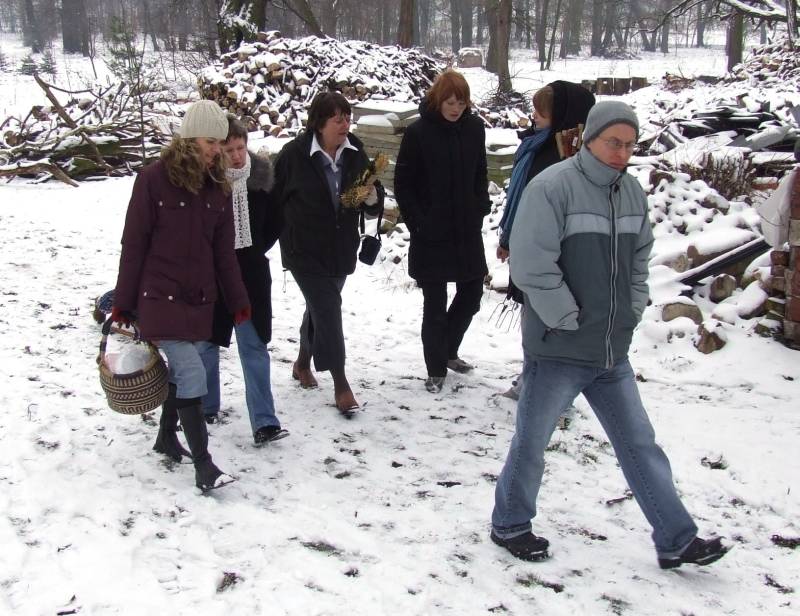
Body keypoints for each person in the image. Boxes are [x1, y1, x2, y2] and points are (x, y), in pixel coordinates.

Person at [490, 101, 728, 569]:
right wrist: (566, 317)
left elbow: (639, 262)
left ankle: (676, 539)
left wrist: (632, 309)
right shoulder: (552, 188)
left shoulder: (631, 193)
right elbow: (531, 264)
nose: (621, 153)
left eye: (629, 145)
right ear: (590, 139)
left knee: (640, 443)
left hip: (609, 350)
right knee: (532, 441)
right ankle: (510, 524)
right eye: (613, 143)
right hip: (559, 347)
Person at [111, 100, 250, 492]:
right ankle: (204, 466)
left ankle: (165, 437)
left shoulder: (218, 187)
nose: (216, 150)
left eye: (220, 143)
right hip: (159, 296)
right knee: (192, 372)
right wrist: (123, 302)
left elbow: (224, 254)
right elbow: (133, 244)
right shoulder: (153, 180)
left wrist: (238, 300)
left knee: (183, 371)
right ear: (189, 139)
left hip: (198, 299)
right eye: (210, 141)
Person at [272, 91, 384, 415]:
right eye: (338, 119)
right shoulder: (293, 155)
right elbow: (272, 200)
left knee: (319, 308)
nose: (345, 124)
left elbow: (372, 193)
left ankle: (301, 363)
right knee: (328, 308)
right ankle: (341, 383)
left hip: (340, 249)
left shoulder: (355, 151)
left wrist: (371, 197)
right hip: (303, 250)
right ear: (319, 124)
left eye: (348, 118)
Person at [496, 81, 595, 400]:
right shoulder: (537, 145)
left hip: (555, 254)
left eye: (541, 112)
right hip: (530, 248)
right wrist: (508, 238)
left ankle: (546, 387)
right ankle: (533, 378)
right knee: (533, 319)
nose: (534, 116)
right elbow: (521, 200)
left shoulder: (570, 157)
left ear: (563, 115)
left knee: (548, 321)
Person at [394, 70, 490, 393]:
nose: (456, 109)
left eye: (461, 103)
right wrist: (419, 222)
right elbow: (403, 184)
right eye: (450, 102)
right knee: (434, 304)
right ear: (437, 100)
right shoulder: (418, 133)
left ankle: (447, 349)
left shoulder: (474, 129)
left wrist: (480, 205)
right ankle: (435, 367)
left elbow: (480, 171)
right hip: (431, 232)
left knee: (472, 294)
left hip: (466, 228)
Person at [197, 116, 289, 445]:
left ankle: (265, 421)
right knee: (206, 344)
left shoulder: (262, 181)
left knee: (254, 346)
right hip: (211, 276)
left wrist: (252, 251)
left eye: (241, 147)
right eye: (229, 149)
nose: (237, 155)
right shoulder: (205, 184)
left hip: (251, 276)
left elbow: (276, 223)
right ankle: (205, 406)